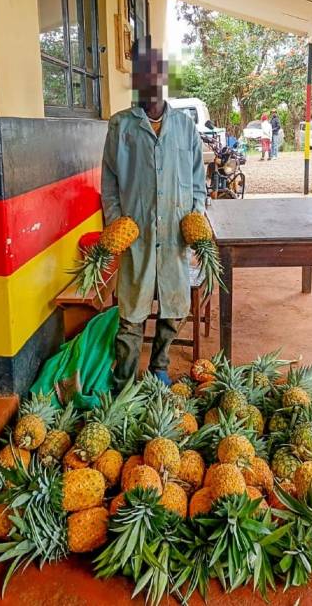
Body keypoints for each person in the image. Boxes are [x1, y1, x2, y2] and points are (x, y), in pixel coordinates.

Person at [101, 37, 206, 389]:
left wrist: (196, 216)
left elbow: (196, 181)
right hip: (139, 235)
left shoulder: (186, 127)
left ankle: (159, 365)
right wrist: (118, 222)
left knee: (174, 308)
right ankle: (124, 376)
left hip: (174, 235)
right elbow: (110, 182)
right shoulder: (120, 126)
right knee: (131, 313)